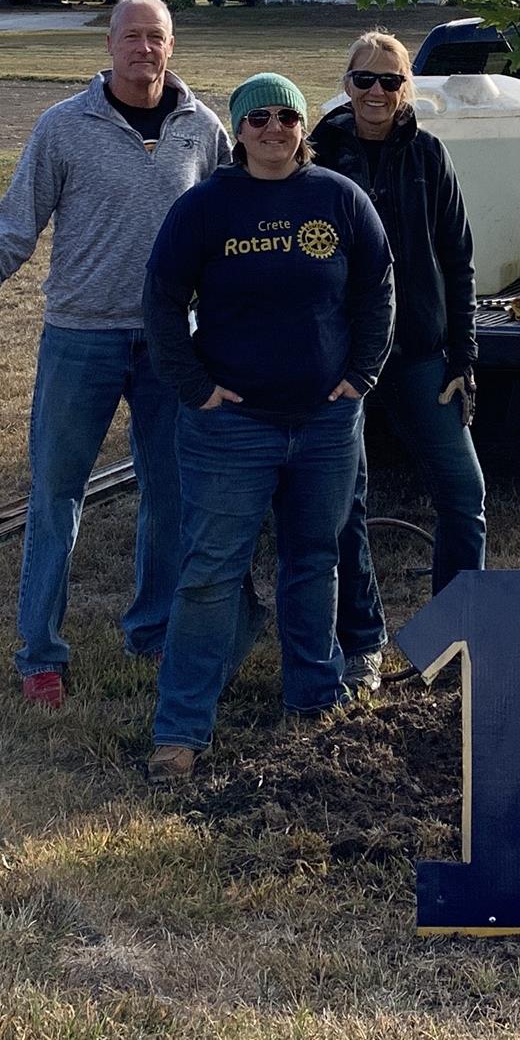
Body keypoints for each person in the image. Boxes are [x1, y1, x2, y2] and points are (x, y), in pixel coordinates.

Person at [0, 0, 230, 707]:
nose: (143, 50)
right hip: (80, 337)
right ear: (109, 45)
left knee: (169, 494)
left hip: (168, 345)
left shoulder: (201, 128)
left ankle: (152, 631)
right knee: (56, 495)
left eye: (156, 38)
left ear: (172, 45)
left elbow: (228, 227)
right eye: (131, 37)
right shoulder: (64, 126)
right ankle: (40, 653)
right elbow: (16, 222)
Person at [141, 73, 394, 785]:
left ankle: (313, 702)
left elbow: (377, 284)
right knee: (210, 573)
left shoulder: (338, 199)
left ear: (302, 127)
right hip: (232, 428)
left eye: (287, 118)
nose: (274, 130)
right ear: (239, 130)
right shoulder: (206, 206)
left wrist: (362, 373)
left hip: (323, 422)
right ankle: (181, 729)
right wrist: (194, 386)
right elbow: (161, 299)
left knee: (314, 560)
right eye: (259, 120)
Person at [308, 30, 483, 694]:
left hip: (418, 355)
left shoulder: (428, 157)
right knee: (343, 502)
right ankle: (362, 643)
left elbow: (459, 262)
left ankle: (452, 634)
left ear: (407, 87)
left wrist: (463, 354)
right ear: (346, 83)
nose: (376, 93)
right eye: (363, 80)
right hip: (340, 359)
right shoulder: (317, 153)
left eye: (389, 81)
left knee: (463, 496)